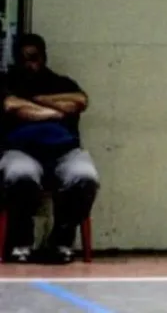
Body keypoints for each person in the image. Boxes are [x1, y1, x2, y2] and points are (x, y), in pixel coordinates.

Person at [0, 33, 99, 264]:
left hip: (65, 152)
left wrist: (40, 99)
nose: (29, 64)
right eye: (23, 58)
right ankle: (21, 240)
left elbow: (81, 100)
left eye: (33, 58)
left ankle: (61, 241)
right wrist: (58, 112)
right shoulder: (7, 83)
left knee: (85, 178)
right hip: (21, 150)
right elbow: (13, 106)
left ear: (43, 57)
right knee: (19, 175)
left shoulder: (62, 82)